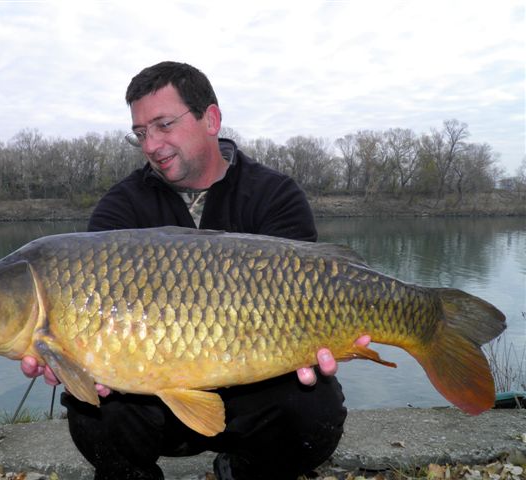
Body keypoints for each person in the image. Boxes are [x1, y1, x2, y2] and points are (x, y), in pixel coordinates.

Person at [21, 61, 369, 480]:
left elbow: (311, 293)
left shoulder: (274, 195)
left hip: (255, 390)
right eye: (140, 133)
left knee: (313, 409)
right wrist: (69, 359)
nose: (151, 144)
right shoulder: (122, 207)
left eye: (163, 124)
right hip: (153, 401)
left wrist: (325, 339)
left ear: (211, 118)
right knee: (94, 412)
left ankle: (243, 470)